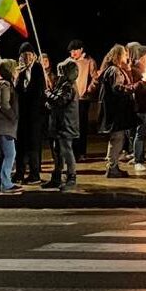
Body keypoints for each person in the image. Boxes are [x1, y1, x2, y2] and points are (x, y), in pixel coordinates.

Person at [98, 44, 137, 178]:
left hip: (114, 110)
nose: (127, 57)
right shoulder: (114, 70)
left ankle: (112, 166)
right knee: (117, 138)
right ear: (118, 56)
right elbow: (118, 88)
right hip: (116, 111)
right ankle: (112, 167)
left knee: (116, 138)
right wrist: (136, 86)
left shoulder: (113, 69)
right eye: (125, 54)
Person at [42, 58, 80, 191]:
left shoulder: (68, 86)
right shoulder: (62, 84)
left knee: (66, 151)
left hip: (66, 124)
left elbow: (60, 101)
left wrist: (47, 94)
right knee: (57, 151)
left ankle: (71, 177)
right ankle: (57, 177)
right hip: (59, 124)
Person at [0, 58, 22, 194]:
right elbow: (4, 104)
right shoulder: (5, 85)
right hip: (3, 124)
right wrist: (13, 116)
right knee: (10, 154)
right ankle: (6, 183)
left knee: (1, 154)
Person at [14, 43, 46, 184]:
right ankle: (19, 172)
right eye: (23, 55)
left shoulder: (38, 69)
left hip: (35, 115)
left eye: (29, 55)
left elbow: (39, 91)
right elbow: (17, 91)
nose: (26, 58)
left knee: (33, 145)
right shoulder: (19, 72)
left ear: (33, 56)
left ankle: (34, 173)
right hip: (22, 114)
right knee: (20, 145)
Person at [67, 39, 98, 160]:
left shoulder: (89, 61)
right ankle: (72, 152)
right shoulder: (68, 62)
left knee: (81, 126)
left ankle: (81, 152)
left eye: (75, 50)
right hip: (70, 99)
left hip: (83, 98)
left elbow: (95, 78)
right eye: (71, 51)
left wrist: (89, 90)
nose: (73, 53)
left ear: (81, 50)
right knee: (71, 126)